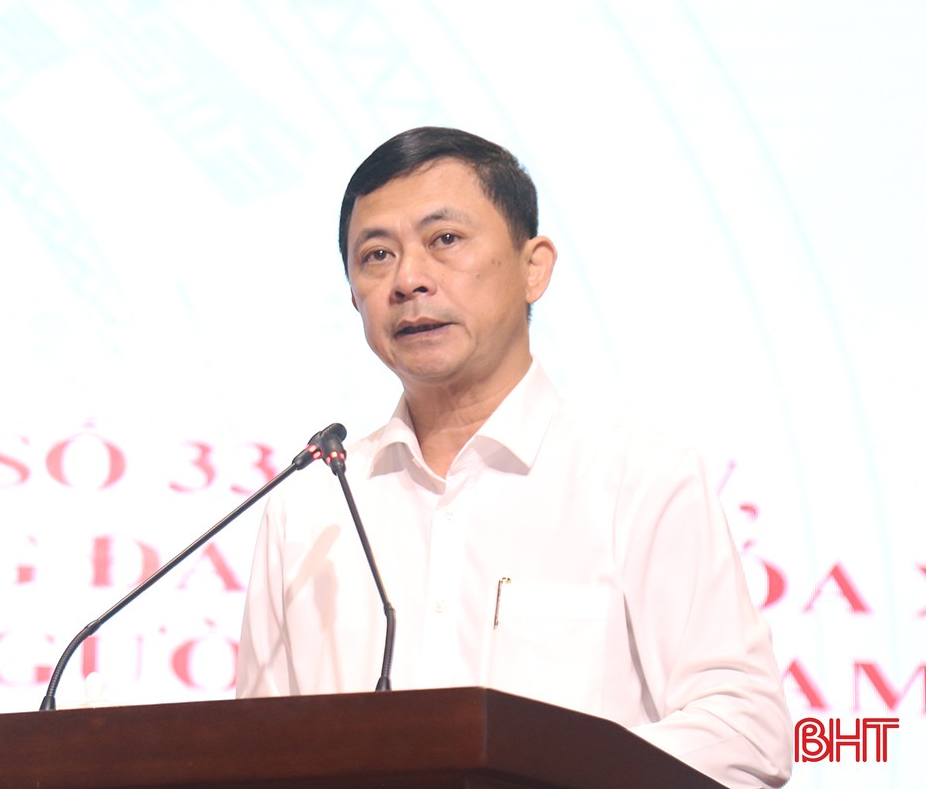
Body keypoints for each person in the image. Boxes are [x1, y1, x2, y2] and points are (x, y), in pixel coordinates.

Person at [236, 127, 793, 788]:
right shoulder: (312, 507)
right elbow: (252, 755)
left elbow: (743, 729)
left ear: (534, 267)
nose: (409, 280)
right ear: (354, 294)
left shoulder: (638, 478)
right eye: (377, 255)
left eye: (446, 240)